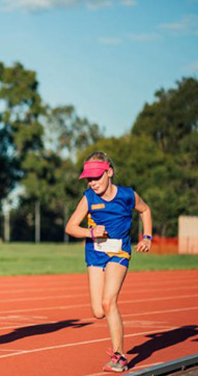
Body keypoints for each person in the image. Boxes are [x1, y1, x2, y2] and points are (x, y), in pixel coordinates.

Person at [65, 151, 152, 373]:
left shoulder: (127, 195)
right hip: (95, 255)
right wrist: (91, 232)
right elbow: (70, 227)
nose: (93, 183)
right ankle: (117, 342)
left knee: (108, 302)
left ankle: (120, 356)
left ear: (109, 172)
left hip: (119, 253)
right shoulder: (88, 198)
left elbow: (145, 210)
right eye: (89, 179)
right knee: (97, 311)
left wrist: (147, 237)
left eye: (97, 177)